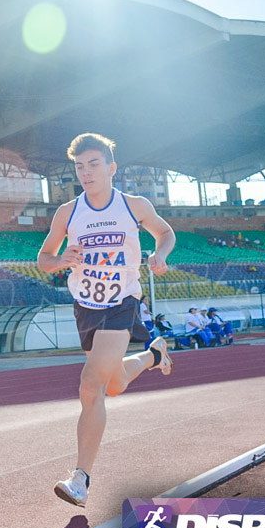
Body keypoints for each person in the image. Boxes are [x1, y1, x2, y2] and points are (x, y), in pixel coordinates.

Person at [37, 132, 176, 508]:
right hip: (85, 305)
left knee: (89, 386)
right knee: (111, 385)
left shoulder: (133, 205)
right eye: (80, 167)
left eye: (93, 164)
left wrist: (160, 255)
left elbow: (165, 232)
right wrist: (60, 260)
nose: (86, 172)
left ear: (112, 168)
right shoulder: (68, 212)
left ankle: (80, 479)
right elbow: (44, 257)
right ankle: (153, 356)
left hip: (122, 302)